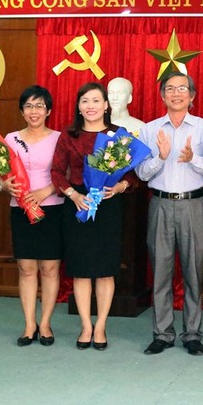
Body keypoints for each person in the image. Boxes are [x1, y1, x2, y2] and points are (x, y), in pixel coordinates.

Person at [136, 71, 203, 357]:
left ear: (192, 96)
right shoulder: (149, 130)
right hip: (160, 204)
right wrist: (161, 157)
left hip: (193, 205)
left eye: (182, 89)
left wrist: (191, 158)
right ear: (162, 96)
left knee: (193, 271)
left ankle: (193, 333)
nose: (176, 93)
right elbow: (141, 173)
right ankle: (162, 333)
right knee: (160, 270)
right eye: (170, 89)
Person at [50, 82, 138, 351]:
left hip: (108, 205)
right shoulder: (69, 135)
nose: (91, 106)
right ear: (79, 106)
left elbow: (133, 174)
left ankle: (101, 327)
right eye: (85, 101)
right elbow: (56, 171)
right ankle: (85, 326)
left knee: (105, 271)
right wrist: (73, 195)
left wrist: (122, 186)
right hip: (78, 204)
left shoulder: (119, 135)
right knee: (81, 270)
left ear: (106, 105)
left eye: (96, 101)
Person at [0, 85, 63, 347]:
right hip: (20, 208)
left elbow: (67, 173)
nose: (34, 111)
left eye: (39, 106)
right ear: (22, 111)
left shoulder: (59, 138)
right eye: (29, 106)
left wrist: (46, 191)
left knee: (49, 267)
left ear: (48, 111)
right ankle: (29, 325)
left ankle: (45, 324)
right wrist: (3, 185)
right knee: (26, 268)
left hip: (52, 208)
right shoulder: (10, 139)